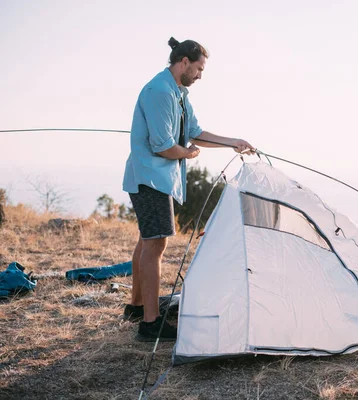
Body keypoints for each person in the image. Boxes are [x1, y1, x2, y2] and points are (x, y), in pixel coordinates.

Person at [122, 37, 254, 341]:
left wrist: (232, 142)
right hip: (149, 178)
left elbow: (195, 132)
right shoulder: (160, 92)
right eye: (198, 68)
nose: (200, 75)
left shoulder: (179, 93)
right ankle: (150, 323)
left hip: (158, 178)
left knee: (147, 240)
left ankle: (137, 307)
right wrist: (189, 153)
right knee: (156, 244)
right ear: (183, 62)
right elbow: (164, 146)